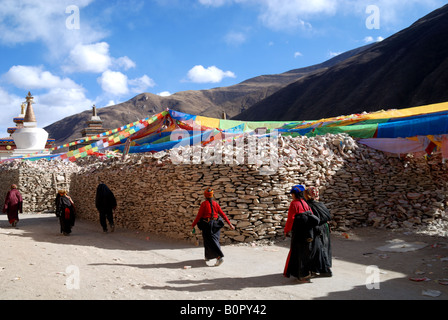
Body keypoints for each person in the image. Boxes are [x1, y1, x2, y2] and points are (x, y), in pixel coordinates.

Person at [283, 185, 319, 282]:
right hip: (308, 232)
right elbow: (311, 214)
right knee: (306, 252)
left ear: (294, 194)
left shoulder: (294, 204)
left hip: (298, 232)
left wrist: (286, 231)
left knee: (297, 252)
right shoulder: (305, 203)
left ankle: (301, 274)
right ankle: (307, 272)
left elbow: (290, 219)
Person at [192, 188, 235, 266]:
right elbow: (223, 214)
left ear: (205, 196)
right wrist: (230, 224)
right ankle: (207, 256)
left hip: (207, 225)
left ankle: (219, 258)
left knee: (211, 242)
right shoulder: (215, 204)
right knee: (213, 240)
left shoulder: (204, 204)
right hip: (216, 225)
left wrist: (193, 225)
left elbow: (199, 216)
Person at [305, 186, 333, 277]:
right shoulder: (320, 204)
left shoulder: (308, 205)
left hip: (317, 229)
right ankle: (324, 267)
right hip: (324, 228)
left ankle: (324, 269)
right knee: (324, 247)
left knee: (318, 249)